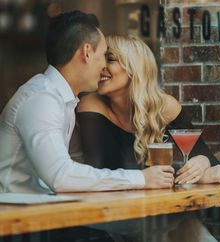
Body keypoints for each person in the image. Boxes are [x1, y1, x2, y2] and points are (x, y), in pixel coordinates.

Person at [76, 34, 220, 242]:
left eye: (111, 59)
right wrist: (188, 176)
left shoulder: (164, 107)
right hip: (111, 214)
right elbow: (107, 172)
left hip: (157, 214)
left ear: (134, 68)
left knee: (184, 226)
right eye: (101, 59)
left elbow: (211, 162)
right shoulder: (91, 106)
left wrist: (203, 163)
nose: (102, 67)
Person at [0, 11, 174, 195]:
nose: (104, 66)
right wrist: (141, 178)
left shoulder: (63, 100)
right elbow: (62, 177)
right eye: (104, 54)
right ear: (87, 53)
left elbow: (78, 168)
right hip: (13, 215)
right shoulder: (41, 100)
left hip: (40, 211)